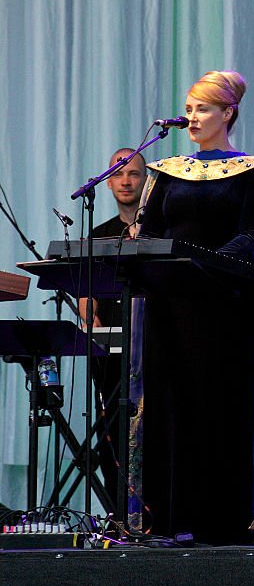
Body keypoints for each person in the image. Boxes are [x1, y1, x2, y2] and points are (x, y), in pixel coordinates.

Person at [128, 70, 254, 544]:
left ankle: (219, 519)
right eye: (189, 108)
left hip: (223, 310)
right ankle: (166, 515)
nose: (192, 117)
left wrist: (210, 264)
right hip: (169, 309)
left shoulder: (253, 173)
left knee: (218, 408)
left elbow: (252, 233)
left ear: (228, 114)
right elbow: (152, 230)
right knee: (169, 404)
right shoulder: (166, 171)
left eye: (202, 108)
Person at [78, 149, 145, 502]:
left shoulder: (157, 233)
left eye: (133, 173)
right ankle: (117, 511)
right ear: (106, 181)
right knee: (111, 432)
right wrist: (95, 328)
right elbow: (85, 298)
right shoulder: (98, 236)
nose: (125, 180)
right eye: (118, 173)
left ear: (146, 179)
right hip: (109, 352)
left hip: (150, 349)